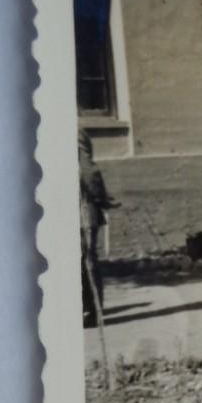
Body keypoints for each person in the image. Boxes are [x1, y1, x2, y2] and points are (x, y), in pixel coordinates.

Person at [78, 126, 118, 328]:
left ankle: (90, 312)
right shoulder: (73, 130)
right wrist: (102, 198)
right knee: (87, 258)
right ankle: (92, 312)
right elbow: (89, 171)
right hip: (80, 207)